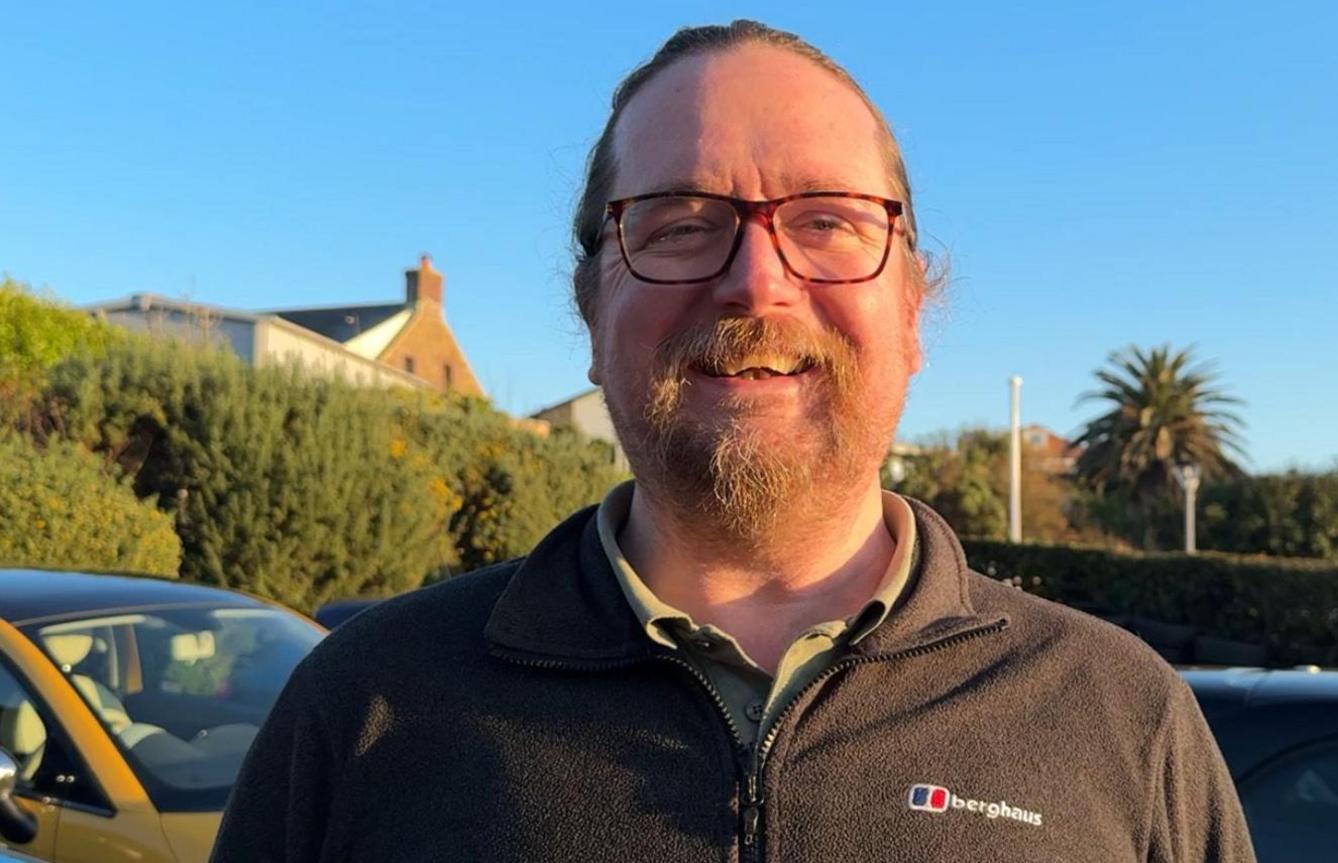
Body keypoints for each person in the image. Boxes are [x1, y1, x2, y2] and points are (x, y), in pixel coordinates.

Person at [211, 20, 1255, 862]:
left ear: (914, 313)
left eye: (830, 223)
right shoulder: (365, 705)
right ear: (589, 313)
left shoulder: (1120, 716)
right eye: (677, 224)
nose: (757, 280)